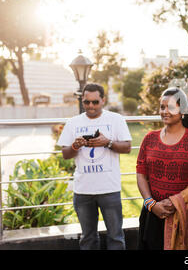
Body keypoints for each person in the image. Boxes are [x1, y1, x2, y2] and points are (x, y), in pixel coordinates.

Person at [57, 83, 132, 250]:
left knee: (116, 237)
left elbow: (127, 147)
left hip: (109, 189)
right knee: (87, 239)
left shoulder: (116, 119)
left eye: (95, 102)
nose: (90, 106)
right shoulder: (73, 122)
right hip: (83, 191)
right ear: (83, 101)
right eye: (87, 102)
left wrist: (108, 142)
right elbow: (65, 154)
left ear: (103, 100)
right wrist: (76, 146)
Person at [136, 87, 188, 250]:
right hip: (152, 214)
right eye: (162, 107)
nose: (165, 111)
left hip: (185, 212)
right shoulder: (149, 138)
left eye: (171, 107)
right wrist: (151, 204)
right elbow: (141, 174)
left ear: (182, 111)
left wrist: (177, 201)